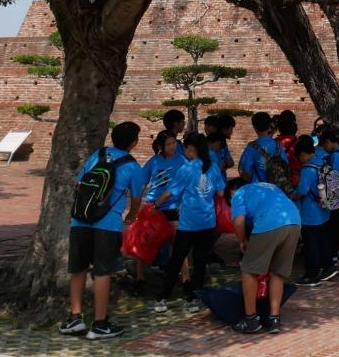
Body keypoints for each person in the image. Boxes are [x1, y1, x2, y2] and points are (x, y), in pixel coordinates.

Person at [59, 121, 145, 341]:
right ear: (134, 143)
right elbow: (136, 198)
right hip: (108, 225)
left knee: (78, 268)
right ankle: (99, 324)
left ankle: (75, 318)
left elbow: (79, 183)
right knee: (102, 271)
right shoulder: (132, 166)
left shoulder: (97, 155)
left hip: (80, 220)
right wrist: (132, 215)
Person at [152, 132, 224, 312]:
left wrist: (156, 205)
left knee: (176, 260)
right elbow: (221, 192)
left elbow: (169, 193)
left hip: (189, 223)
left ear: (191, 148)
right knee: (200, 262)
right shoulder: (213, 167)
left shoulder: (187, 169)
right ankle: (194, 299)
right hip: (207, 221)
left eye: (184, 148)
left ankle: (162, 298)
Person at [224, 177, 300, 334]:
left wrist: (242, 240)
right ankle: (274, 319)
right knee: (277, 271)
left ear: (231, 194)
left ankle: (251, 319)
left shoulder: (238, 193)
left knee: (249, 269)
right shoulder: (266, 186)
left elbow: (239, 222)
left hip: (269, 223)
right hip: (294, 221)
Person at [134, 130, 186, 292]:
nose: (172, 146)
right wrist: (138, 203)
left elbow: (186, 184)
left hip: (172, 207)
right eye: (168, 144)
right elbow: (142, 182)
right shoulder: (153, 161)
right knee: (144, 243)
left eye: (174, 143)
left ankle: (185, 279)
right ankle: (140, 279)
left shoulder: (182, 161)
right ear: (160, 146)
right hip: (153, 208)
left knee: (178, 245)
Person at [291, 134, 334, 285]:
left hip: (310, 213)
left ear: (303, 154)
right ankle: (329, 266)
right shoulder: (323, 162)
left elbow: (302, 191)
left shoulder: (307, 169)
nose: (299, 160)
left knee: (311, 244)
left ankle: (311, 274)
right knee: (323, 240)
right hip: (324, 209)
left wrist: (293, 195)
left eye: (299, 157)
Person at [314, 127, 339, 262]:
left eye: (324, 145)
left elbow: (333, 177)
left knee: (333, 225)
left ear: (328, 142)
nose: (325, 148)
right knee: (336, 224)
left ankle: (333, 254)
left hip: (334, 195)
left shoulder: (335, 156)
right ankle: (334, 253)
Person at [238, 111, 287, 184]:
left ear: (255, 127)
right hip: (276, 188)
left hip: (258, 188)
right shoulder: (278, 145)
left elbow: (246, 172)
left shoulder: (251, 147)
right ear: (269, 126)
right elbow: (285, 166)